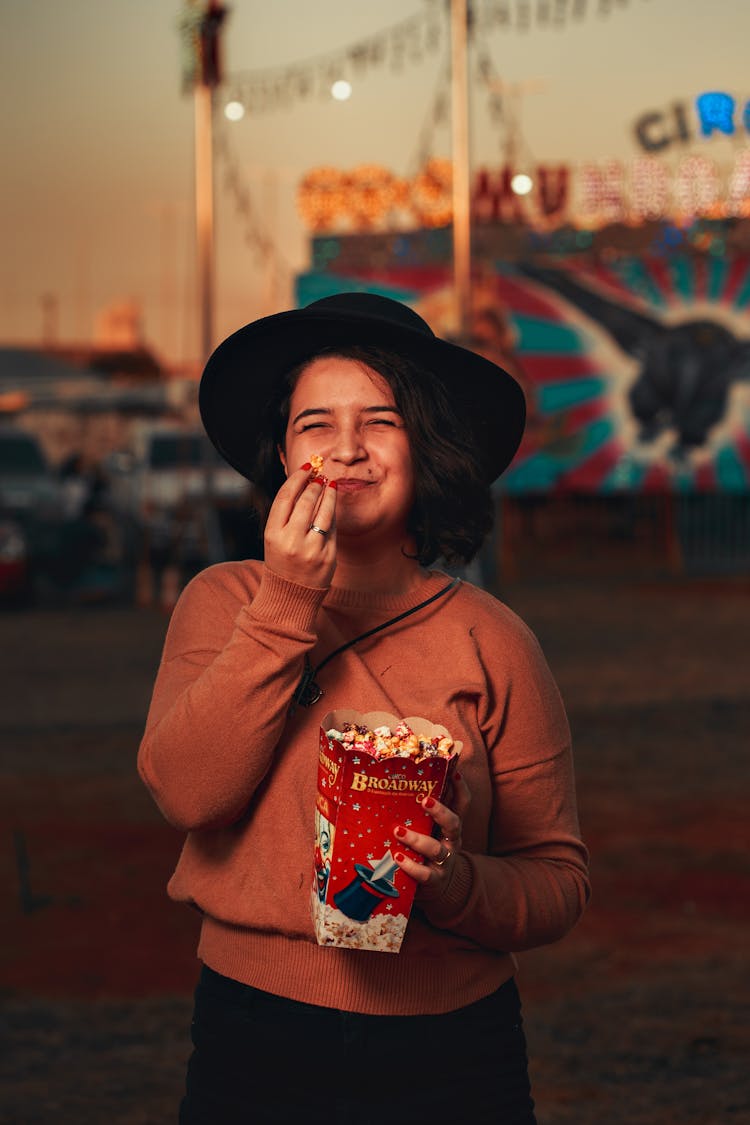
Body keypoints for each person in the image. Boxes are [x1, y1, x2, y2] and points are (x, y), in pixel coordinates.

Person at [138, 292, 590, 1124]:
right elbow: (188, 794)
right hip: (254, 1039)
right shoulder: (222, 601)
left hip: (456, 1053)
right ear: (282, 453)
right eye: (315, 424)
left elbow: (557, 880)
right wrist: (284, 604)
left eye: (379, 421)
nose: (346, 449)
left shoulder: (495, 639)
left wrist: (456, 885)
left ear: (425, 448)